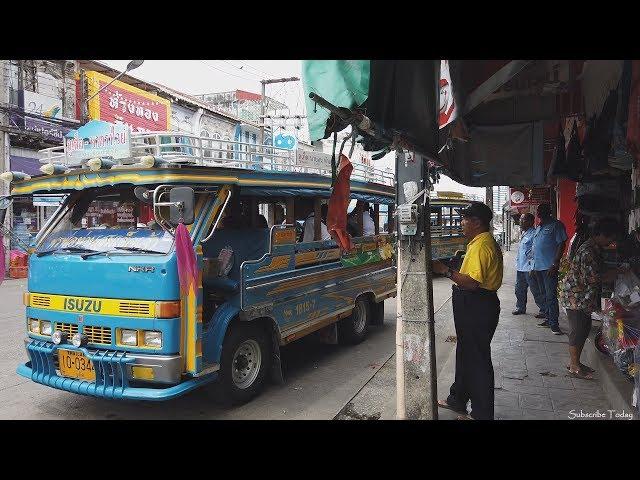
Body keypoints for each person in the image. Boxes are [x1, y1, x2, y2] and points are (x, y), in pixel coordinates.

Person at [432, 201, 503, 420]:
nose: (461, 223)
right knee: (465, 353)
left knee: (477, 359)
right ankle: (457, 399)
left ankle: (482, 413)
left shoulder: (482, 245)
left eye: (464, 219)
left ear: (477, 222)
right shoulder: (477, 242)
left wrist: (445, 270)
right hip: (472, 304)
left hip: (477, 304)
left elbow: (472, 282)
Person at [560, 217, 623, 380]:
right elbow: (592, 277)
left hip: (582, 297)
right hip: (576, 297)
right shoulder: (588, 250)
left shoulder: (594, 248)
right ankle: (574, 365)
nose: (611, 241)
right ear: (601, 234)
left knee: (584, 328)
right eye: (610, 238)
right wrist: (615, 274)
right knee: (578, 330)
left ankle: (576, 362)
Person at [529, 203, 568, 335]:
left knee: (551, 295)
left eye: (542, 210)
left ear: (548, 211)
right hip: (538, 267)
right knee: (543, 294)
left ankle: (554, 324)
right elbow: (535, 248)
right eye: (538, 210)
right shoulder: (539, 226)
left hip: (549, 267)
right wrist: (533, 266)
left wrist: (555, 263)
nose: (539, 212)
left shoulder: (556, 225)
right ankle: (547, 318)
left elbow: (562, 243)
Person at [512, 213, 546, 316]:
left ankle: (543, 310)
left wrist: (533, 267)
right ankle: (520, 308)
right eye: (521, 220)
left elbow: (535, 252)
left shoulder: (534, 234)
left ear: (531, 222)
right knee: (519, 289)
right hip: (521, 267)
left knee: (536, 290)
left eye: (524, 220)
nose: (521, 222)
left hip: (530, 267)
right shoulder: (524, 233)